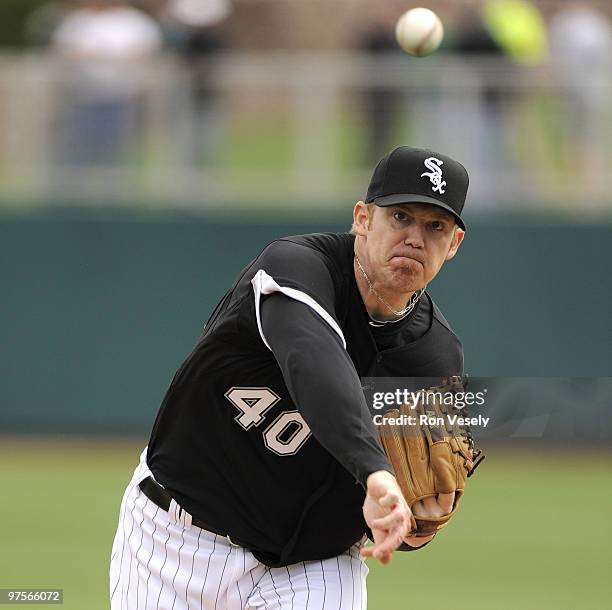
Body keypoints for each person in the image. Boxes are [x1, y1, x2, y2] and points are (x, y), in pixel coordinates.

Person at [110, 145, 469, 609]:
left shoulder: (435, 358)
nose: (415, 238)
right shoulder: (293, 268)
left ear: (454, 244)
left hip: (314, 569)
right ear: (363, 218)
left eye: (434, 226)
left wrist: (409, 519)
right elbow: (313, 361)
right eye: (400, 216)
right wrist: (376, 471)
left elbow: (416, 508)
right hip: (176, 540)